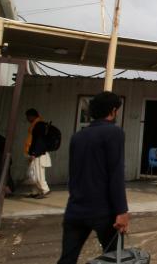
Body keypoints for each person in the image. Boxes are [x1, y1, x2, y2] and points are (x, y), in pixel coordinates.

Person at [56, 92, 129, 264]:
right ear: (113, 111)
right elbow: (116, 174)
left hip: (75, 208)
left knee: (67, 258)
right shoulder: (114, 133)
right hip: (104, 211)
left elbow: (74, 174)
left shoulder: (78, 136)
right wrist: (121, 211)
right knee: (114, 257)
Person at [24, 108, 51, 199]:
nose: (27, 119)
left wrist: (34, 153)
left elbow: (39, 141)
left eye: (28, 117)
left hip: (38, 153)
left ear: (32, 116)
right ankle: (35, 191)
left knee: (38, 173)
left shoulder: (39, 125)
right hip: (34, 152)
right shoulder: (35, 124)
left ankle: (45, 190)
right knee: (33, 174)